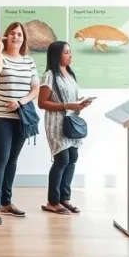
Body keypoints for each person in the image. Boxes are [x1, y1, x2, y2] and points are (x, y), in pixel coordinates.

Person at [0, 22, 39, 225]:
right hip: (1, 117)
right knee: (1, 159)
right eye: (12, 34)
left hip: (21, 117)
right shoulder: (1, 58)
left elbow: (35, 89)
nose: (16, 37)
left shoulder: (29, 62)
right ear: (6, 36)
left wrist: (20, 102)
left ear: (24, 38)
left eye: (19, 34)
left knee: (13, 161)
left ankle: (6, 203)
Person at [38, 41, 92, 215]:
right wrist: (68, 104)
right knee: (61, 159)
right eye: (66, 52)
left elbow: (71, 98)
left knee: (72, 158)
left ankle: (64, 198)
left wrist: (80, 103)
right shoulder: (49, 75)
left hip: (71, 121)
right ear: (56, 55)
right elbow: (42, 103)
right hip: (56, 123)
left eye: (70, 52)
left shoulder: (70, 74)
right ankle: (52, 201)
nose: (70, 55)